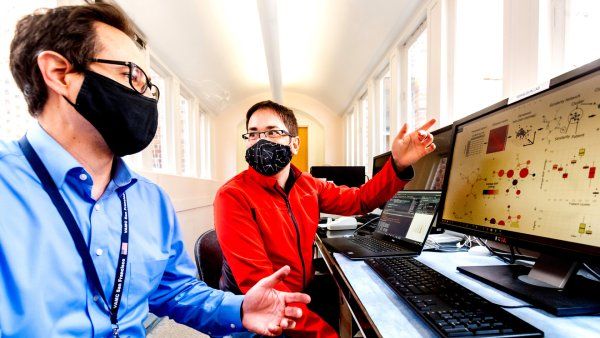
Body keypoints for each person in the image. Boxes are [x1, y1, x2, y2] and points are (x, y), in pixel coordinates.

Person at [0, 4, 310, 337]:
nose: (146, 97)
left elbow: (174, 290)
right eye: (131, 76)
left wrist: (239, 307)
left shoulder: (150, 201)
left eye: (149, 85)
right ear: (60, 74)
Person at [214, 100, 436, 337]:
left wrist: (398, 164)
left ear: (294, 143)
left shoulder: (308, 185)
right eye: (253, 134)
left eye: (273, 132)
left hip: (298, 294)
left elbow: (360, 200)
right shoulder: (233, 196)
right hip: (255, 315)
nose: (261, 141)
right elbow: (266, 295)